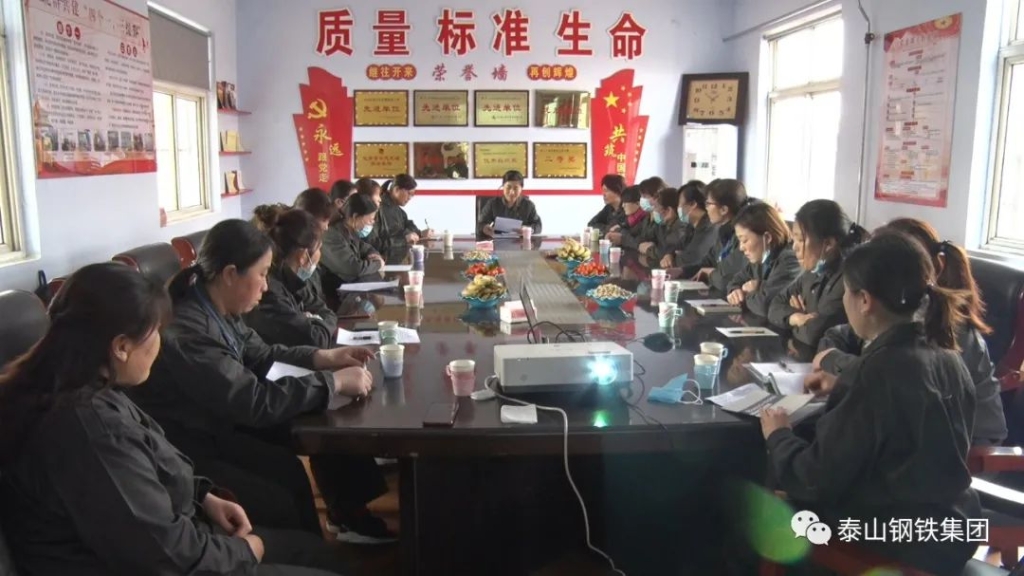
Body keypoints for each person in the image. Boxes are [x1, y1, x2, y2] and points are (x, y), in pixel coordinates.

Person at [0, 263, 346, 576]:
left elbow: (149, 467)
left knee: (313, 553)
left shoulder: (83, 385)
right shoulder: (88, 428)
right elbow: (166, 555)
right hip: (156, 561)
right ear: (121, 346)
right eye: (155, 332)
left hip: (177, 534)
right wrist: (246, 550)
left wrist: (203, 496)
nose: (160, 345)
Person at [129, 219, 394, 544]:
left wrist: (324, 358)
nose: (266, 286)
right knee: (284, 478)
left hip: (221, 420)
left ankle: (348, 515)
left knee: (325, 420)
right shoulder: (189, 331)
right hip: (193, 444)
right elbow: (251, 401)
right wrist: (333, 383)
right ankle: (309, 555)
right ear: (230, 274)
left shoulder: (217, 307)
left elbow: (263, 354)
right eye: (262, 274)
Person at [761, 233, 980, 575]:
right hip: (953, 528)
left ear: (864, 300)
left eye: (847, 291)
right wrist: (845, 387)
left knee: (765, 505)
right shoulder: (947, 355)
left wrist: (778, 435)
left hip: (898, 538)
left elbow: (814, 478)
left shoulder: (876, 370)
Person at [812, 218, 1007, 446]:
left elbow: (899, 377)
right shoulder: (894, 312)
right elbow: (839, 336)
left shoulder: (945, 326)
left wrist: (835, 363)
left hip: (968, 444)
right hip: (918, 432)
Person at [767, 200, 869, 347]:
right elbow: (774, 306)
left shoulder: (848, 278)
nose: (794, 247)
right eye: (794, 239)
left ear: (828, 244)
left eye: (801, 240)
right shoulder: (813, 270)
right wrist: (795, 317)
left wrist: (795, 322)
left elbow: (814, 334)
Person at [246, 206, 337, 349]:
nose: (321, 253)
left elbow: (327, 312)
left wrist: (311, 320)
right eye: (319, 248)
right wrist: (313, 321)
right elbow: (317, 339)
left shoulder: (295, 279)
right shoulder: (269, 292)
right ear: (303, 256)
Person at [724, 203, 800, 317]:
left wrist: (746, 294)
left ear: (767, 238)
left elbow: (765, 305)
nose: (741, 248)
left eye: (744, 240)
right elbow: (735, 281)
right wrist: (735, 292)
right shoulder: (761, 257)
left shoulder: (790, 260)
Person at [694, 179, 755, 292]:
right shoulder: (723, 231)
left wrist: (711, 273)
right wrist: (681, 270)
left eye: (708, 204)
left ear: (723, 210)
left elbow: (725, 278)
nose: (706, 208)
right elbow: (708, 262)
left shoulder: (743, 237)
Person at [320, 192, 386, 295]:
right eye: (370, 220)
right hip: (337, 293)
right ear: (355, 216)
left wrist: (375, 256)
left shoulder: (351, 231)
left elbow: (367, 248)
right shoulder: (331, 235)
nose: (372, 223)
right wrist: (378, 263)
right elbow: (354, 268)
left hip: (354, 287)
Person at [373, 174, 432, 255]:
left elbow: (411, 226)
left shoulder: (399, 210)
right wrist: (405, 239)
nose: (410, 198)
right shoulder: (379, 208)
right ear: (396, 189)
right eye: (409, 193)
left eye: (412, 195)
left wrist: (420, 233)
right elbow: (378, 242)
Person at [668, 180, 716, 276]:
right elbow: (676, 246)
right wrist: (669, 254)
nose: (678, 208)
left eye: (680, 204)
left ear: (692, 204)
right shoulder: (691, 227)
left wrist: (677, 257)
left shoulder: (709, 227)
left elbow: (691, 259)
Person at [478, 170, 542, 238]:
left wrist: (528, 229)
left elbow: (538, 226)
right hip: (497, 241)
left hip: (520, 242)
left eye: (515, 188)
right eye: (508, 187)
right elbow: (480, 224)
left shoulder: (528, 205)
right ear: (503, 187)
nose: (512, 192)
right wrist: (484, 228)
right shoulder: (492, 204)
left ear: (521, 188)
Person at [609, 177, 664, 249]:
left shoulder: (659, 219)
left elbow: (646, 244)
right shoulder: (647, 217)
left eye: (645, 196)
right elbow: (637, 238)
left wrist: (623, 238)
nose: (642, 200)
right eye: (642, 196)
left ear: (656, 197)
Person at [635, 187, 686, 265]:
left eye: (656, 207)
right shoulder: (662, 225)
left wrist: (650, 250)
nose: (654, 211)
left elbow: (669, 249)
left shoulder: (682, 226)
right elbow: (644, 238)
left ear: (668, 210)